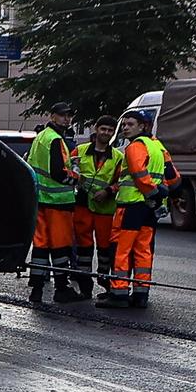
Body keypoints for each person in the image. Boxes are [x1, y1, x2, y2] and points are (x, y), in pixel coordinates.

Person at [99, 115, 173, 309]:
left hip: (131, 205)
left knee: (121, 250)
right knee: (143, 251)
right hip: (149, 208)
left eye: (130, 125)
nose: (125, 128)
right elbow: (170, 177)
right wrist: (158, 197)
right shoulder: (157, 147)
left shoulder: (135, 147)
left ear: (143, 126)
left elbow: (139, 174)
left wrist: (153, 193)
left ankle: (119, 293)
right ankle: (141, 293)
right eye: (123, 124)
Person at [25, 105, 85, 304]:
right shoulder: (55, 139)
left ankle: (37, 288)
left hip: (41, 199)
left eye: (69, 115)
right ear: (52, 116)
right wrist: (76, 176)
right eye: (63, 115)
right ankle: (61, 287)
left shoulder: (41, 137)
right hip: (58, 202)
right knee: (60, 245)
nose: (67, 119)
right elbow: (58, 173)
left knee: (41, 246)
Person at [73, 116, 123, 291]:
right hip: (83, 205)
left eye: (110, 130)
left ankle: (103, 280)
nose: (106, 133)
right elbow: (70, 170)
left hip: (105, 208)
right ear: (96, 129)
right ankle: (85, 284)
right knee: (83, 247)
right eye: (103, 129)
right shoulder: (79, 151)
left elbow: (123, 182)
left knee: (105, 248)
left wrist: (108, 191)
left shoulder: (118, 157)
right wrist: (77, 180)